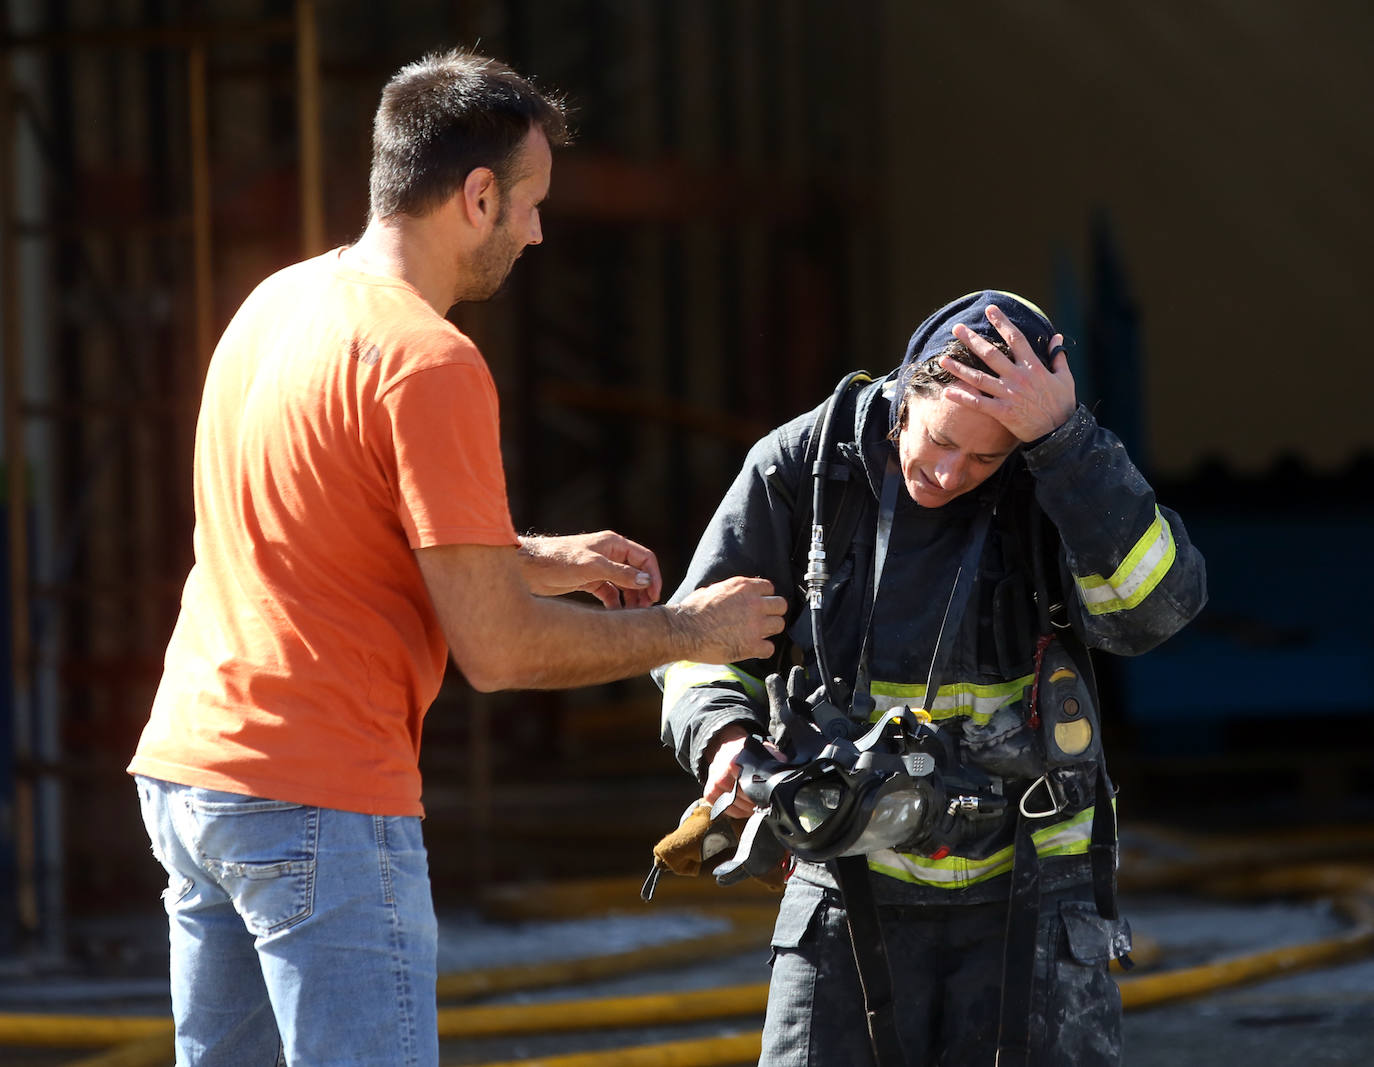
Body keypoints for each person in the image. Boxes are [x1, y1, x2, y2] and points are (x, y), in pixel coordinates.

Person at [127, 48, 785, 1067]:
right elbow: (497, 649)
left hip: (194, 775)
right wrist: (695, 630)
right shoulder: (430, 361)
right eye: (527, 203)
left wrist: (535, 554)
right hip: (321, 795)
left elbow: (329, 525)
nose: (535, 229)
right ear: (476, 196)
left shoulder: (280, 303)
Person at [656, 290, 1207, 1066]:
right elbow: (694, 643)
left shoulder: (1056, 476)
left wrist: (1069, 447)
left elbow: (1154, 614)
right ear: (908, 388)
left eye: (984, 458)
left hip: (1033, 887)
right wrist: (727, 741)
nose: (948, 473)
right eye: (941, 439)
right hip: (847, 878)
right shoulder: (806, 469)